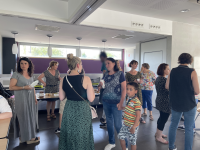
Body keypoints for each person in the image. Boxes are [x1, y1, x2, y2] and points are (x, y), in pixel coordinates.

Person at [58, 54, 95, 150]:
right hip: (82, 109)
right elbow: (91, 98)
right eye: (81, 64)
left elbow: (61, 97)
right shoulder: (85, 79)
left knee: (69, 132)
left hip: (69, 107)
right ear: (78, 65)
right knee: (82, 133)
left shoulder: (63, 79)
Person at [166, 53, 200, 150]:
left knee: (173, 125)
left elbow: (167, 86)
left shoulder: (172, 71)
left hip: (175, 102)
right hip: (189, 103)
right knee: (189, 128)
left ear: (179, 60)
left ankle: (171, 147)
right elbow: (197, 91)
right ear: (190, 61)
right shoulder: (192, 71)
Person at [99, 57, 128, 150]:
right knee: (109, 123)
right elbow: (103, 85)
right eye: (106, 64)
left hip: (116, 103)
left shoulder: (120, 74)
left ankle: (126, 145)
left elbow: (124, 89)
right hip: (106, 101)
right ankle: (112, 142)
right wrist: (100, 86)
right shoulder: (105, 74)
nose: (107, 65)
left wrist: (121, 102)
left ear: (114, 63)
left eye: (108, 63)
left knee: (118, 125)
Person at [9, 57, 40, 144]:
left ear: (29, 65)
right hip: (21, 99)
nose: (23, 65)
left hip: (30, 99)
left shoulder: (30, 74)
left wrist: (34, 97)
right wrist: (23, 87)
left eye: (25, 63)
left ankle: (30, 136)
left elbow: (32, 87)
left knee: (30, 117)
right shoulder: (16, 74)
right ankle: (24, 137)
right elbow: (11, 87)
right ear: (19, 65)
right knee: (23, 117)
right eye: (21, 63)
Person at [55, 69, 85, 133]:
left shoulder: (65, 79)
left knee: (62, 112)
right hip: (78, 101)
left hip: (66, 98)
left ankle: (60, 128)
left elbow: (62, 95)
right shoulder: (83, 79)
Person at [118, 82, 141, 150]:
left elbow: (138, 116)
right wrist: (122, 107)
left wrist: (134, 127)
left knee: (132, 142)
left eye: (131, 89)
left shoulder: (136, 101)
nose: (128, 91)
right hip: (125, 124)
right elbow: (128, 108)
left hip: (133, 126)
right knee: (121, 137)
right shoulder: (129, 98)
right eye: (127, 89)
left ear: (135, 91)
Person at [155, 63, 170, 144]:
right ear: (163, 70)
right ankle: (159, 137)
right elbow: (169, 90)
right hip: (164, 102)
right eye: (167, 69)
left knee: (161, 118)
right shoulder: (164, 80)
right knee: (163, 119)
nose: (169, 70)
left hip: (160, 100)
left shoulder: (158, 78)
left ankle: (158, 133)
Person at [99, 51, 107, 128]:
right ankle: (104, 118)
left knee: (105, 102)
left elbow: (104, 73)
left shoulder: (105, 63)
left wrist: (102, 82)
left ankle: (104, 118)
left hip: (105, 86)